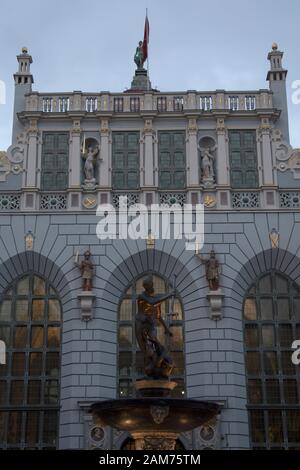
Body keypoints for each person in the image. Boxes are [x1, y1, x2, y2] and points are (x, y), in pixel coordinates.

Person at [135, 276, 175, 378]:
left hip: (151, 324)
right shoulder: (142, 296)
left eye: (151, 284)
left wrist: (166, 329)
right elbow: (151, 302)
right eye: (150, 284)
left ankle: (157, 365)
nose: (152, 285)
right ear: (146, 287)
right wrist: (169, 295)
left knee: (155, 342)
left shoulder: (156, 299)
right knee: (146, 347)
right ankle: (150, 366)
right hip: (141, 325)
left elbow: (158, 316)